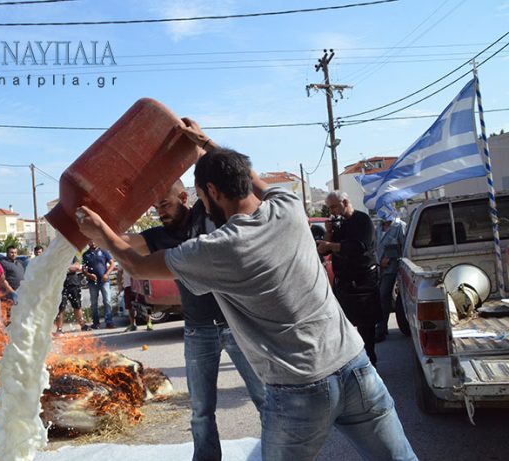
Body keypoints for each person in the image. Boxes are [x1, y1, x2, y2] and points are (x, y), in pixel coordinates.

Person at [76, 119, 416, 460]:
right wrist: (207, 143)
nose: (203, 207)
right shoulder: (289, 207)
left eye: (202, 197)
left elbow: (135, 265)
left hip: (300, 387)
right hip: (355, 367)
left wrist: (99, 231)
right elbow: (256, 181)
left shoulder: (218, 249)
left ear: (213, 192)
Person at [120, 179, 264, 461]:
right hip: (197, 330)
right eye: (156, 206)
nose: (160, 211)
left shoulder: (206, 213)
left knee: (265, 399)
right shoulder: (158, 236)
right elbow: (123, 244)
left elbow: (219, 179)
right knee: (200, 411)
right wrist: (98, 225)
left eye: (165, 203)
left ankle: (278, 454)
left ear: (184, 197)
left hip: (235, 323)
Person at [318, 190, 381, 366]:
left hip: (363, 283)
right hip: (344, 284)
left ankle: (370, 365)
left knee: (366, 328)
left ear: (345, 202)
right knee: (343, 328)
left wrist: (332, 245)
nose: (332, 211)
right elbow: (324, 250)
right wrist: (329, 233)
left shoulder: (363, 221)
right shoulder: (339, 224)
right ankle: (352, 365)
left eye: (334, 207)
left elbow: (359, 247)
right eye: (329, 208)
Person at [375, 207, 407, 342]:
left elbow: (404, 248)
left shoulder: (400, 226)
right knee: (382, 298)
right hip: (379, 268)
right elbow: (376, 246)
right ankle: (382, 326)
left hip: (393, 268)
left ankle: (381, 329)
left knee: (384, 295)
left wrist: (393, 258)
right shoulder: (378, 227)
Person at [81, 241, 116, 329]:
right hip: (93, 282)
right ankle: (96, 323)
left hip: (104, 281)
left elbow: (112, 264)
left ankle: (109, 322)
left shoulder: (103, 251)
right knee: (93, 303)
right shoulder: (85, 255)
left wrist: (107, 274)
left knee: (107, 301)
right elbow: (84, 269)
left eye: (93, 240)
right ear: (88, 243)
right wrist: (88, 275)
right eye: (90, 241)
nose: (92, 242)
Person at [54, 256, 91, 334]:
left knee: (77, 306)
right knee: (61, 308)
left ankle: (82, 325)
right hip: (61, 286)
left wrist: (64, 268)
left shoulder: (71, 256)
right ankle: (59, 329)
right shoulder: (56, 256)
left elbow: (77, 267)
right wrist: (69, 268)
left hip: (74, 284)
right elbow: (56, 269)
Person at [120, 267, 152, 332]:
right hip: (128, 285)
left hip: (141, 284)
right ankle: (132, 324)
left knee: (146, 304)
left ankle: (149, 322)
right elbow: (119, 272)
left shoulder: (139, 256)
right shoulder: (122, 258)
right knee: (129, 306)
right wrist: (119, 285)